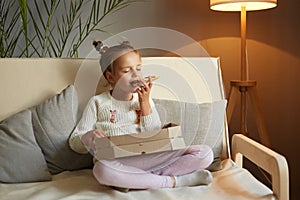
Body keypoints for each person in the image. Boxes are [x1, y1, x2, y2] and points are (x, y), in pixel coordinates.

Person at [69, 41, 214, 190]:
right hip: (118, 162)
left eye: (138, 68)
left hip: (150, 157)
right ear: (111, 77)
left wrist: (145, 104)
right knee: (101, 170)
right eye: (127, 71)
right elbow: (74, 142)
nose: (136, 74)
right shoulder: (98, 102)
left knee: (204, 153)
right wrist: (88, 136)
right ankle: (172, 182)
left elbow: (156, 133)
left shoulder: (144, 99)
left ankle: (137, 179)